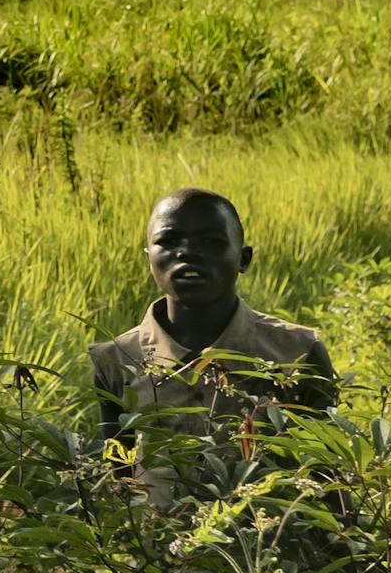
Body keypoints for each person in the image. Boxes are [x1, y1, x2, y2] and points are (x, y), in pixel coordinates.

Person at [88, 187, 335, 505]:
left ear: (244, 259)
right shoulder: (117, 359)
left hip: (270, 549)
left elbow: (329, 479)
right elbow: (118, 481)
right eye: (168, 241)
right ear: (148, 255)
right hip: (160, 550)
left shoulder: (296, 352)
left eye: (212, 242)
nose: (188, 252)